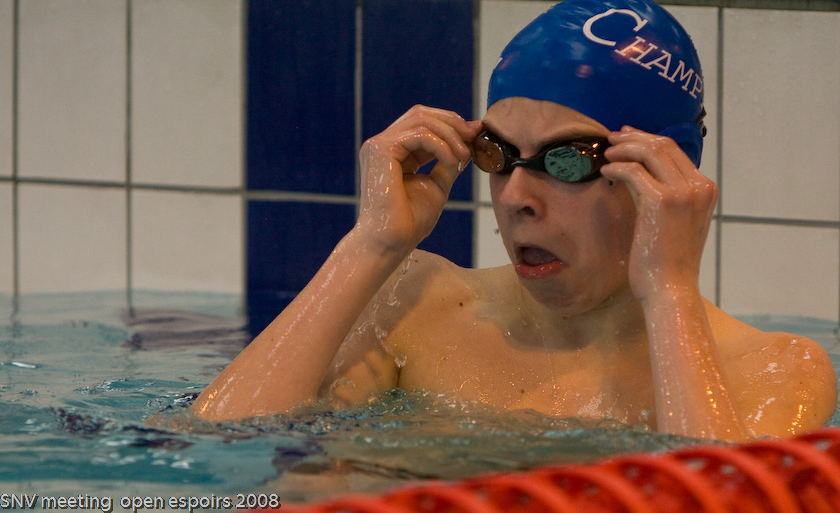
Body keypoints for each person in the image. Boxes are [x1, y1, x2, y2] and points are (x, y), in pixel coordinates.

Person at [193, 0, 836, 441]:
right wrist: (371, 245)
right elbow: (220, 452)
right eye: (497, 155)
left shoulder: (770, 371)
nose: (515, 197)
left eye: (566, 160)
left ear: (666, 174)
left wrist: (669, 294)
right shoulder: (416, 304)